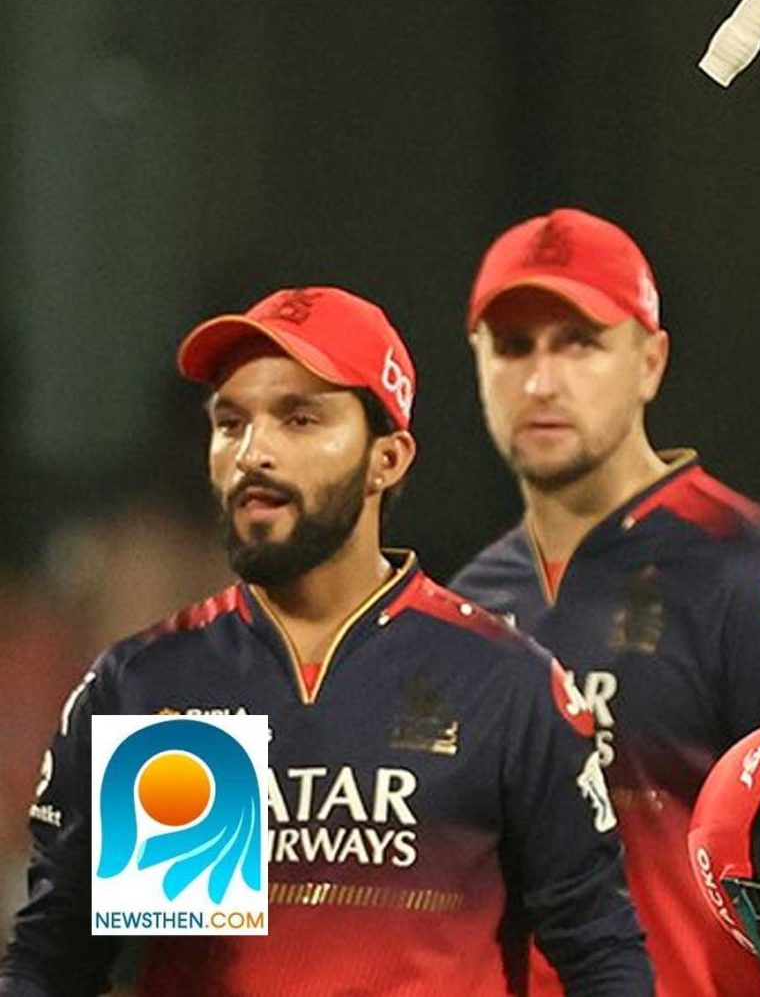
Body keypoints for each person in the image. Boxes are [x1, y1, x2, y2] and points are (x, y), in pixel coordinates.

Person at [0, 285, 651, 996]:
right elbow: (61, 962)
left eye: (300, 419)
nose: (254, 452)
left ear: (387, 459)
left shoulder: (500, 683)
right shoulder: (156, 685)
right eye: (231, 423)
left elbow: (599, 954)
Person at [447, 208, 760, 996]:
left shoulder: (751, 574)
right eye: (513, 346)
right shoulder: (466, 604)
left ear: (650, 362)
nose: (541, 381)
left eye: (579, 343)